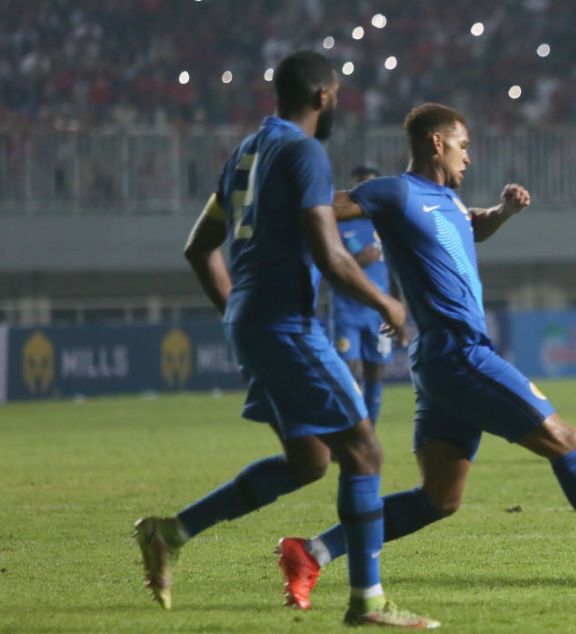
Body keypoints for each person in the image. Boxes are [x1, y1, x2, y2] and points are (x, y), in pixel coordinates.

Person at [274, 103, 576, 610]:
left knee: (438, 499)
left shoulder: (448, 202)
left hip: (441, 362)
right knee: (566, 440)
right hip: (458, 353)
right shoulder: (396, 191)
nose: (469, 156)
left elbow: (472, 227)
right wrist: (270, 194)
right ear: (436, 143)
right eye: (463, 145)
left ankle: (310, 551)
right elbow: (326, 208)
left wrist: (503, 213)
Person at [132, 50, 437, 629]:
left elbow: (199, 248)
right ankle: (368, 602)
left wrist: (236, 313)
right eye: (339, 95)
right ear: (324, 96)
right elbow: (330, 253)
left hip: (253, 321)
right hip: (286, 325)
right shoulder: (304, 152)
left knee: (309, 461)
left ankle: (171, 532)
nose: (338, 104)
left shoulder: (247, 153)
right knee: (365, 451)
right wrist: (388, 301)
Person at [331, 164, 402, 422]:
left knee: (376, 374)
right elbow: (328, 265)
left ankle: (367, 433)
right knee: (346, 373)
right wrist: (357, 260)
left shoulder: (385, 225)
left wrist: (399, 312)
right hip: (347, 310)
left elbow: (395, 272)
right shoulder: (336, 223)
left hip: (378, 313)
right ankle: (349, 429)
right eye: (362, 185)